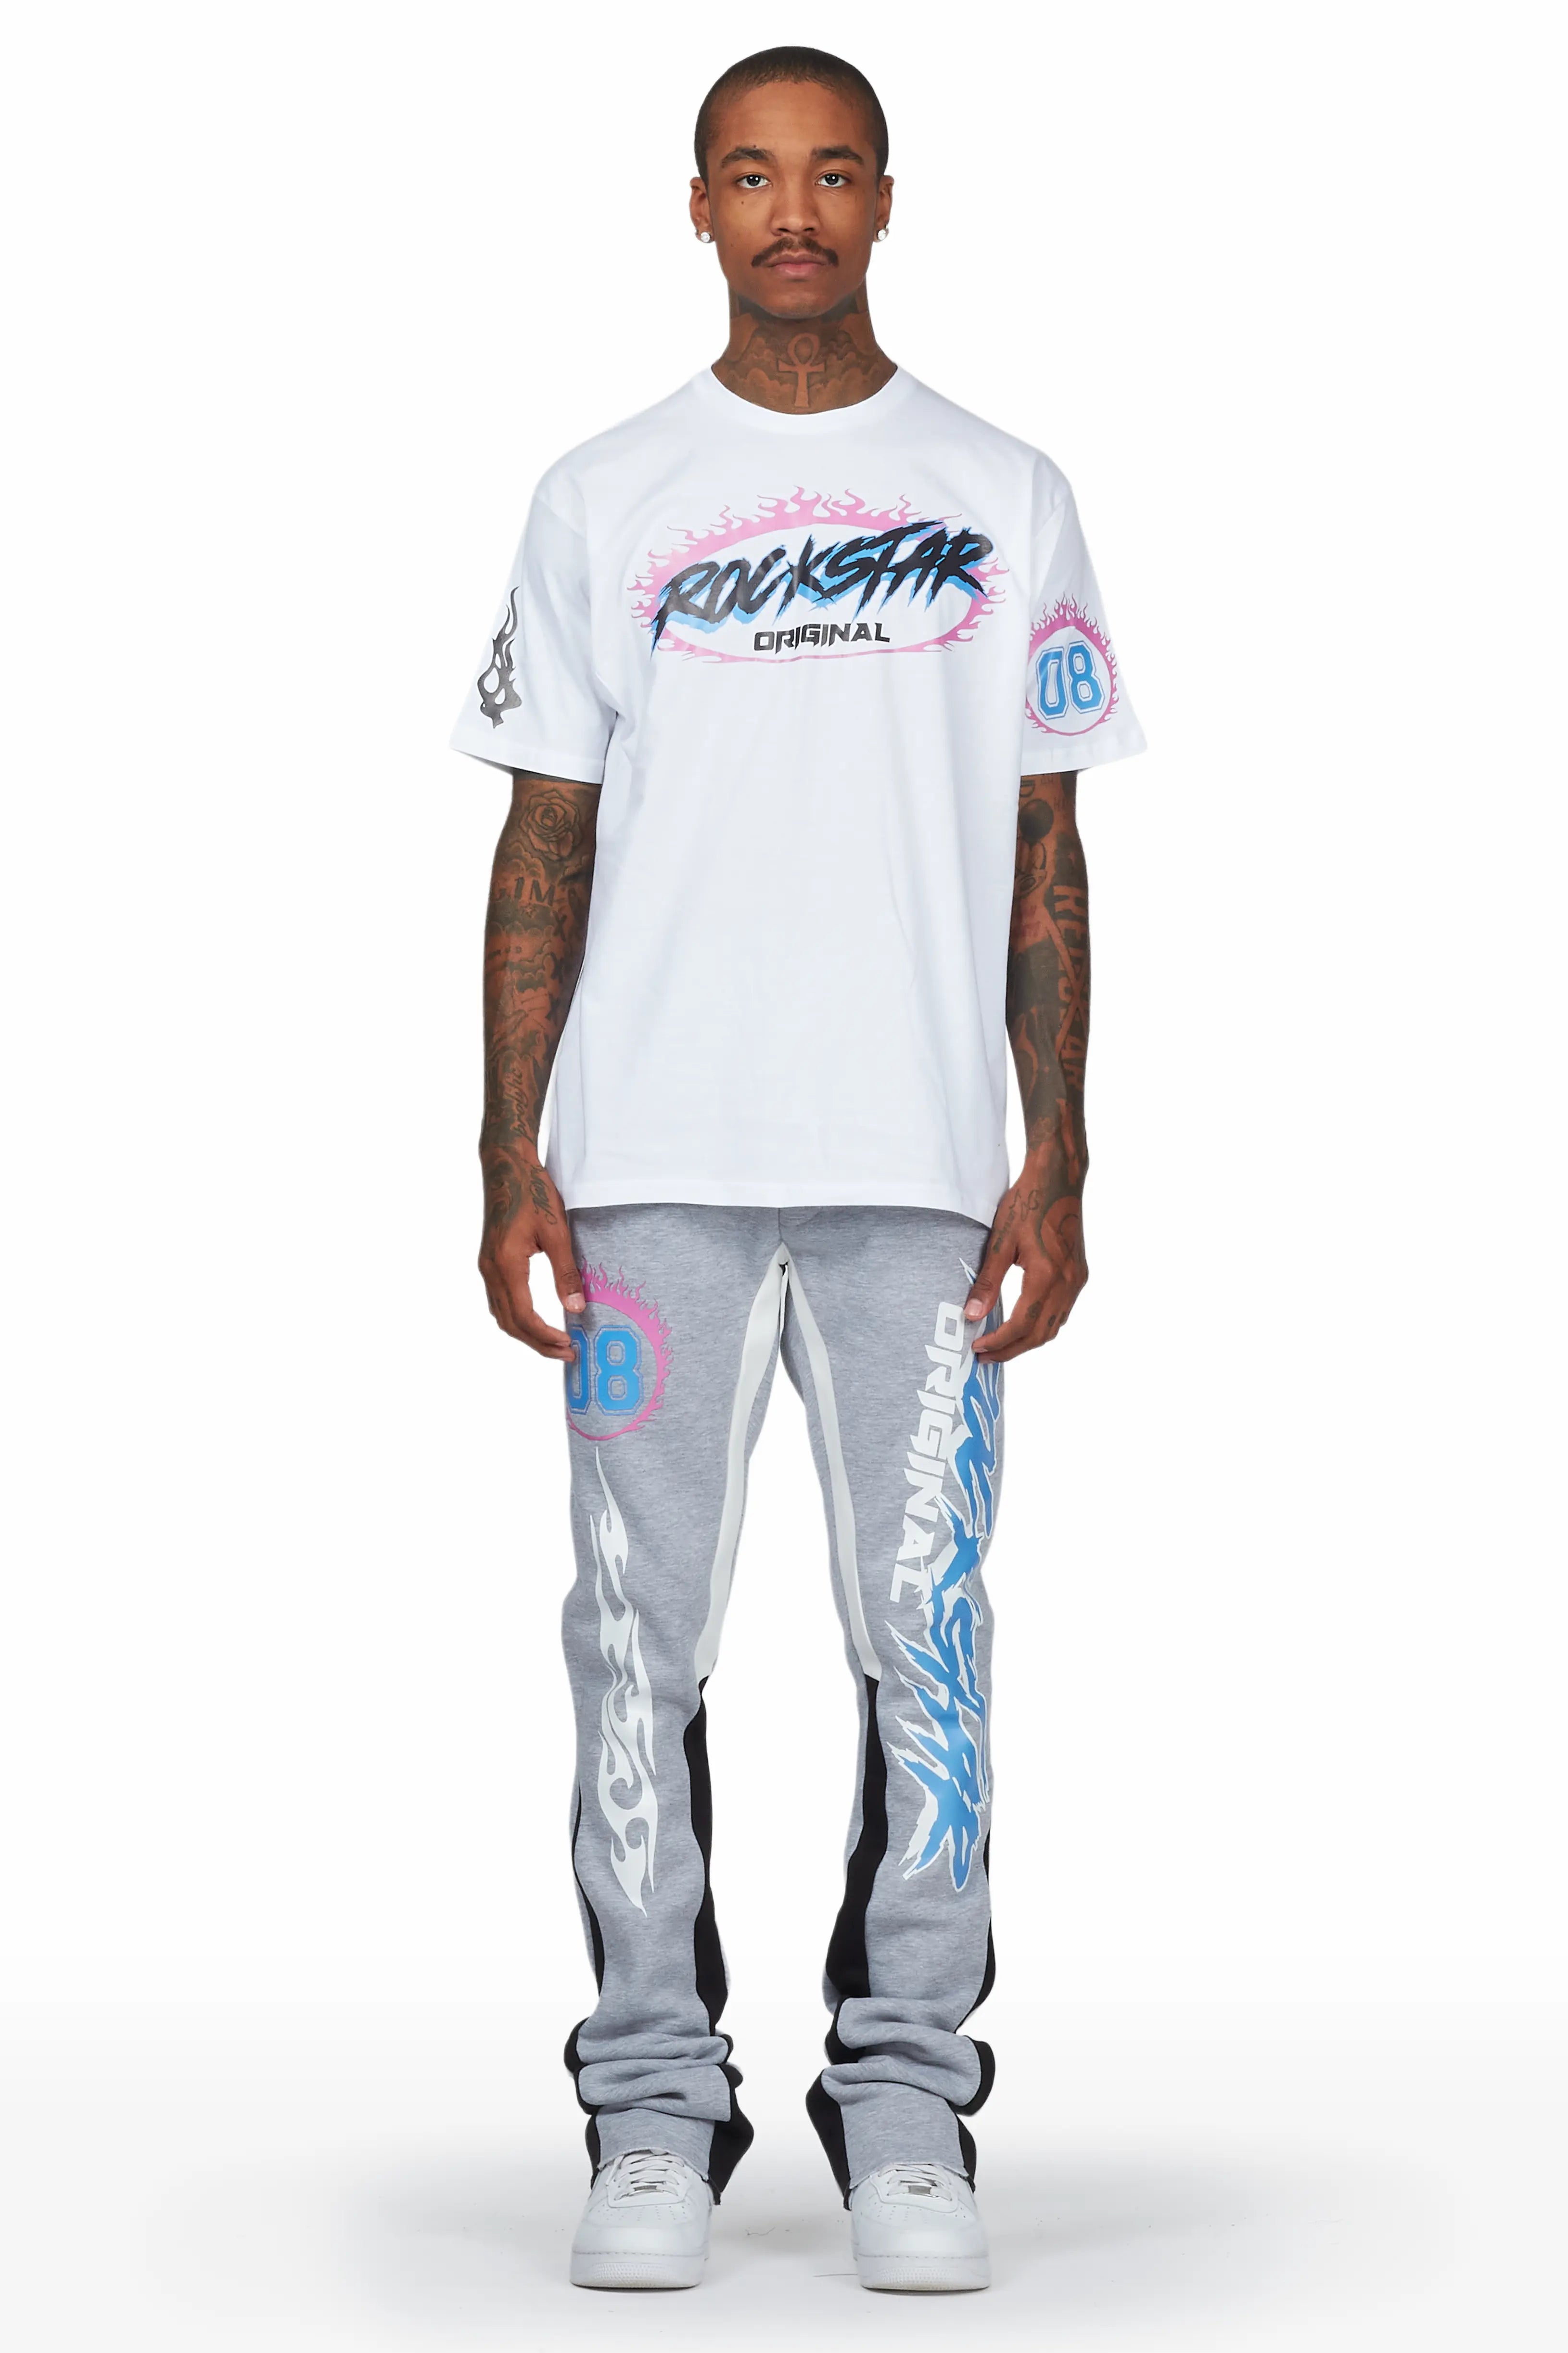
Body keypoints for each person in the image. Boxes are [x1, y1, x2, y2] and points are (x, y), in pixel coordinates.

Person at [450, 46, 1144, 2294]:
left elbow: (1044, 842)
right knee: (629, 1635)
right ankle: (652, 2098)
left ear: (882, 199)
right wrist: (508, 1149)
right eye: (749, 175)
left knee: (921, 1635)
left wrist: (1056, 1149)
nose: (790, 212)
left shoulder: (1002, 489)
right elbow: (542, 833)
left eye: (829, 172)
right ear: (696, 207)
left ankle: (905, 2094)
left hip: (917, 1169)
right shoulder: (602, 494)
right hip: (645, 1158)